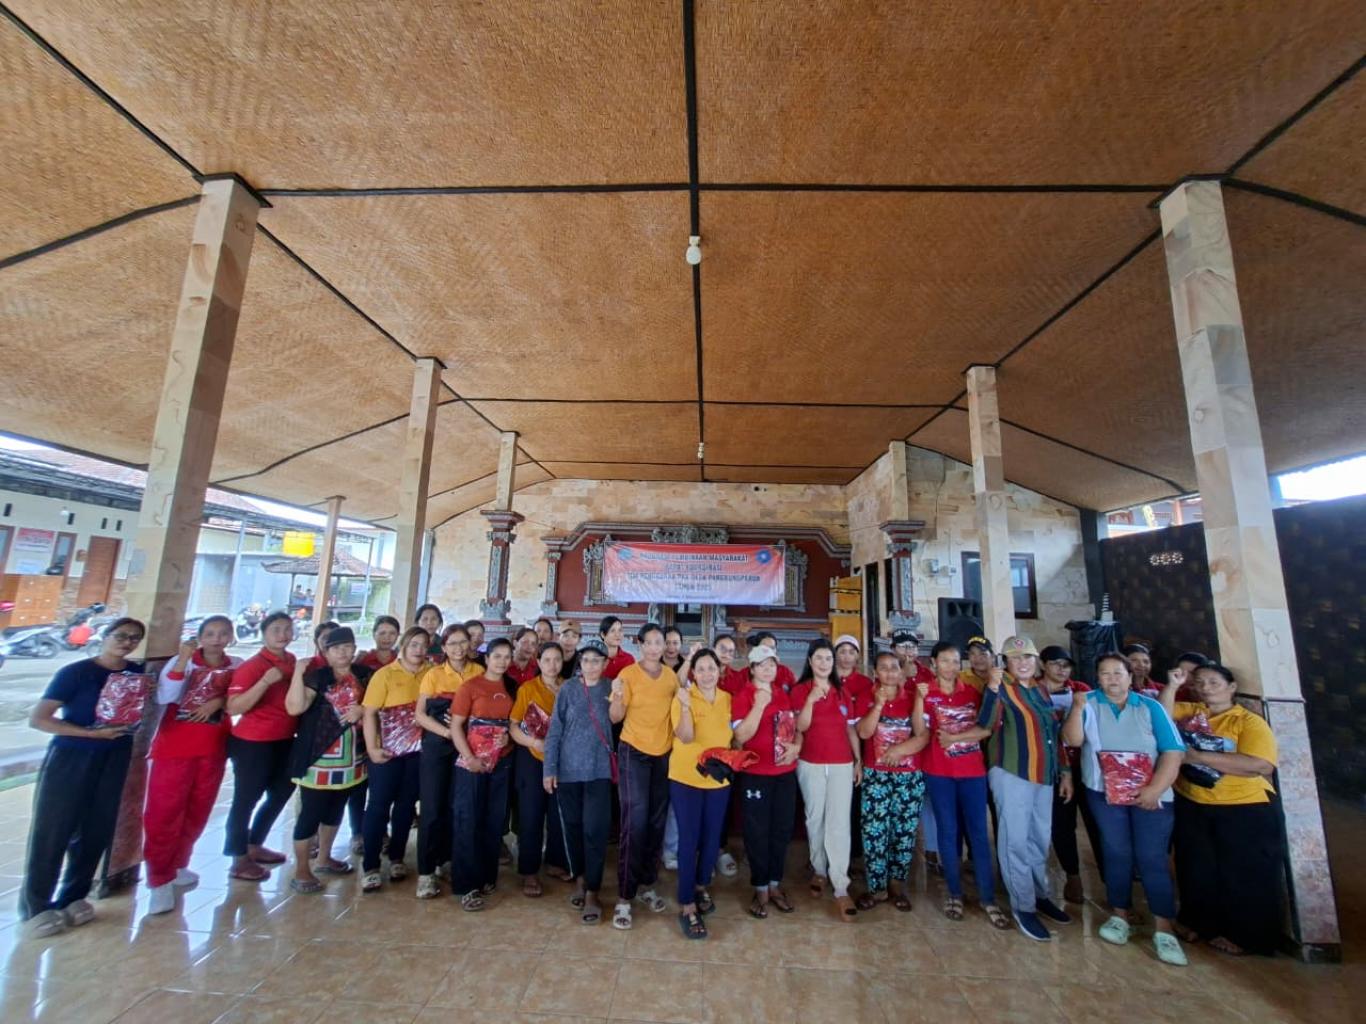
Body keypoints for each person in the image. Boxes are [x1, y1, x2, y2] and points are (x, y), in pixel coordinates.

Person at [21, 617, 147, 936]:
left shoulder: (137, 674)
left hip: (114, 756)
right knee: (54, 829)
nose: (126, 642)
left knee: (97, 829)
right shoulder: (76, 673)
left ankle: (74, 896)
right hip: (72, 756)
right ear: (105, 636)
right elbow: (40, 719)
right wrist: (90, 734)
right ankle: (36, 906)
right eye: (121, 636)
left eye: (134, 638)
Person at [1062, 652, 1187, 965]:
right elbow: (1072, 741)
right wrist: (1076, 708)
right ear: (1097, 677)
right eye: (1105, 674)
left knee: (1151, 856)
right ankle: (1120, 914)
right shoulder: (1088, 703)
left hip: (1151, 794)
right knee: (1116, 851)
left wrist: (1155, 789)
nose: (1112, 679)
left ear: (1130, 677)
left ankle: (1163, 926)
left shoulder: (1151, 707)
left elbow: (1173, 751)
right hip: (1103, 792)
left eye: (1118, 673)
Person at [1161, 663, 1283, 956]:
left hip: (1243, 807)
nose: (1206, 688)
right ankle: (1198, 923)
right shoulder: (1192, 712)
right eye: (1200, 682)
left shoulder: (1248, 722)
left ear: (1232, 687)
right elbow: (1161, 717)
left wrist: (1199, 757)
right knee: (1196, 867)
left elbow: (1260, 765)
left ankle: (1246, 936)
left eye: (1214, 682)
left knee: (1244, 872)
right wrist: (1173, 686)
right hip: (1193, 803)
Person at [978, 635, 1074, 941]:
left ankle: (1039, 894)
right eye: (1015, 658)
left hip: (1043, 775)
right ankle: (1023, 906)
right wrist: (992, 689)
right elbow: (985, 725)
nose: (1022, 663)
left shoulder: (1039, 689)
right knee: (1015, 841)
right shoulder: (1001, 688)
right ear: (1005, 661)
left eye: (1028, 657)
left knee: (1039, 838)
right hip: (1012, 772)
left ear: (1036, 662)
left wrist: (1065, 771)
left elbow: (1053, 733)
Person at [143, 615, 241, 915]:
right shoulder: (183, 662)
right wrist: (183, 659)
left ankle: (179, 864)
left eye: (223, 633)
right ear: (199, 637)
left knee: (198, 810)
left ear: (231, 636)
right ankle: (158, 879)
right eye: (210, 633)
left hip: (213, 747)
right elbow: (166, 695)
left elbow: (239, 698)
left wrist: (219, 702)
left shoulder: (236, 664)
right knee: (164, 813)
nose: (216, 639)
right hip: (175, 747)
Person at [913, 641, 1008, 929]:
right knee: (948, 831)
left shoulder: (972, 693)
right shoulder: (927, 693)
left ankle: (987, 897)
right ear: (933, 664)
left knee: (978, 833)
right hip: (938, 771)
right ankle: (954, 893)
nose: (951, 667)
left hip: (972, 772)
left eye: (955, 661)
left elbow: (985, 729)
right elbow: (920, 731)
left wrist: (956, 739)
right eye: (945, 661)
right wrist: (919, 699)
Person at [284, 627, 369, 893]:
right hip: (319, 757)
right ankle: (301, 869)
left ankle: (324, 857)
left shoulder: (364, 675)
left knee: (336, 808)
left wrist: (363, 709)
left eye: (347, 647)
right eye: (336, 648)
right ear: (326, 652)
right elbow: (295, 708)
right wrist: (297, 673)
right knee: (311, 813)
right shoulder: (317, 677)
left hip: (352, 756)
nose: (343, 653)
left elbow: (379, 704)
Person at [609, 622, 677, 929]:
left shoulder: (670, 677)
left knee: (655, 822)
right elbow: (615, 717)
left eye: (658, 642)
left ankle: (647, 885)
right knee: (634, 822)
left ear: (664, 646)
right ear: (640, 645)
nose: (653, 648)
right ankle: (624, 896)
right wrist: (617, 695)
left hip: (662, 755)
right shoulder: (628, 674)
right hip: (633, 753)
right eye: (648, 642)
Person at [544, 638, 616, 925]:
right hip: (568, 771)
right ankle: (580, 879)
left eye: (596, 660)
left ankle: (593, 891)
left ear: (605, 663)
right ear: (579, 663)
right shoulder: (568, 689)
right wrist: (549, 769)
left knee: (595, 831)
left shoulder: (612, 688)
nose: (591, 665)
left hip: (599, 771)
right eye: (586, 660)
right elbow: (555, 730)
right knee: (572, 828)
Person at [224, 611, 299, 881]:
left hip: (285, 739)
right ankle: (238, 857)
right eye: (276, 629)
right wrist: (265, 682)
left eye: (287, 629)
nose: (283, 635)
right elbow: (234, 707)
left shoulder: (291, 661)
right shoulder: (253, 666)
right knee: (246, 799)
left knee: (282, 792)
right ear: (264, 633)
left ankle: (255, 843)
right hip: (253, 742)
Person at [664, 648, 733, 939]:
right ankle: (687, 903)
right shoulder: (683, 697)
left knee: (712, 837)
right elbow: (686, 736)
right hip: (686, 777)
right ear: (693, 672)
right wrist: (684, 706)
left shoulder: (727, 699)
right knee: (689, 838)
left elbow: (732, 736)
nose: (706, 674)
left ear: (719, 671)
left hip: (718, 778)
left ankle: (701, 886)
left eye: (711, 668)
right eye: (701, 669)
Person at [792, 638, 861, 922]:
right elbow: (800, 727)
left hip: (842, 763)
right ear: (810, 661)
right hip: (810, 763)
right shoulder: (800, 690)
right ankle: (819, 869)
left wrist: (858, 760)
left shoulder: (842, 692)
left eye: (828, 659)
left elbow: (851, 730)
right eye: (819, 658)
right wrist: (810, 700)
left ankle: (841, 884)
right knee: (814, 818)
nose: (824, 663)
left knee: (839, 822)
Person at [854, 651, 928, 912]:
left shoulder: (913, 696)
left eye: (894, 667)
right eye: (883, 668)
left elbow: (922, 735)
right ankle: (877, 889)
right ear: (875, 672)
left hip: (909, 776)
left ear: (901, 671)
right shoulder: (867, 695)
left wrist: (898, 751)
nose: (889, 673)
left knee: (904, 832)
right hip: (877, 775)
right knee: (874, 831)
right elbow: (864, 732)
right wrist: (878, 705)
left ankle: (897, 886)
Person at [413, 624, 483, 898]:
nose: (458, 648)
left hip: (468, 746)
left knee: (458, 806)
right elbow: (420, 715)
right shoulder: (434, 674)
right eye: (452, 643)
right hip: (438, 746)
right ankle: (426, 872)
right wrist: (448, 733)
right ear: (443, 647)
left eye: (463, 642)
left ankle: (449, 860)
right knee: (432, 808)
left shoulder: (478, 672)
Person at [731, 644, 801, 918]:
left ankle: (775, 884)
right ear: (752, 669)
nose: (768, 669)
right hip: (756, 774)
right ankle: (760, 886)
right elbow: (741, 736)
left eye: (771, 664)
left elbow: (795, 728)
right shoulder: (744, 696)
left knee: (781, 830)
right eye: (762, 665)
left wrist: (796, 746)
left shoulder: (783, 693)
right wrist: (759, 705)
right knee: (757, 831)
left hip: (784, 773)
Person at [450, 637, 516, 910]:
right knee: (468, 820)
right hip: (472, 764)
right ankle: (467, 885)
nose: (502, 661)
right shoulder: (470, 687)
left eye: (507, 656)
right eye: (497, 656)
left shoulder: (512, 687)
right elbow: (456, 726)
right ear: (486, 659)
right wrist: (470, 758)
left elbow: (516, 725)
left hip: (501, 764)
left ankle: (488, 876)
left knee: (494, 821)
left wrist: (508, 740)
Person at [360, 626, 428, 891]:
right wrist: (372, 748)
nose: (419, 650)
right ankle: (371, 865)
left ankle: (397, 857)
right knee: (378, 806)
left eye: (423, 645)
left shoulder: (431, 673)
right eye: (414, 644)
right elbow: (369, 713)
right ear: (404, 646)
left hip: (416, 753)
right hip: (386, 753)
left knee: (406, 806)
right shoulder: (385, 674)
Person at [1038, 644, 1103, 904]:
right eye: (1056, 664)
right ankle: (1072, 874)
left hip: (1085, 765)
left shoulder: (1080, 691)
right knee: (1062, 823)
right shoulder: (1033, 691)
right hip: (1051, 767)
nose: (1062, 669)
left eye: (1066, 665)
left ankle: (1110, 879)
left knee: (1096, 822)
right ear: (1043, 665)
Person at [509, 641, 572, 896]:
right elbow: (514, 726)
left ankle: (556, 862)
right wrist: (534, 742)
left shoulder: (569, 687)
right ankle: (529, 871)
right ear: (538, 662)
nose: (552, 665)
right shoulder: (528, 688)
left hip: (562, 760)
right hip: (533, 757)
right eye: (547, 660)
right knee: (531, 814)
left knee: (558, 812)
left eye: (557, 659)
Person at [600, 615, 635, 680]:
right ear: (603, 635)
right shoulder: (595, 658)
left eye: (620, 630)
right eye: (612, 631)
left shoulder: (629, 659)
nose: (617, 634)